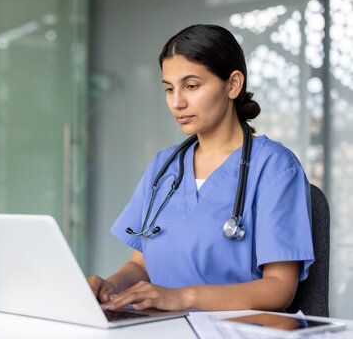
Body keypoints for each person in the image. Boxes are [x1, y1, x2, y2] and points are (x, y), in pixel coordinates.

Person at [87, 24, 314, 312]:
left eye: (191, 86)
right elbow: (140, 265)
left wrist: (183, 297)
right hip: (160, 328)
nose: (177, 102)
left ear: (233, 84)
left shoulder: (273, 167)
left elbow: (279, 289)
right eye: (169, 89)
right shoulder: (164, 167)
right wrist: (110, 287)